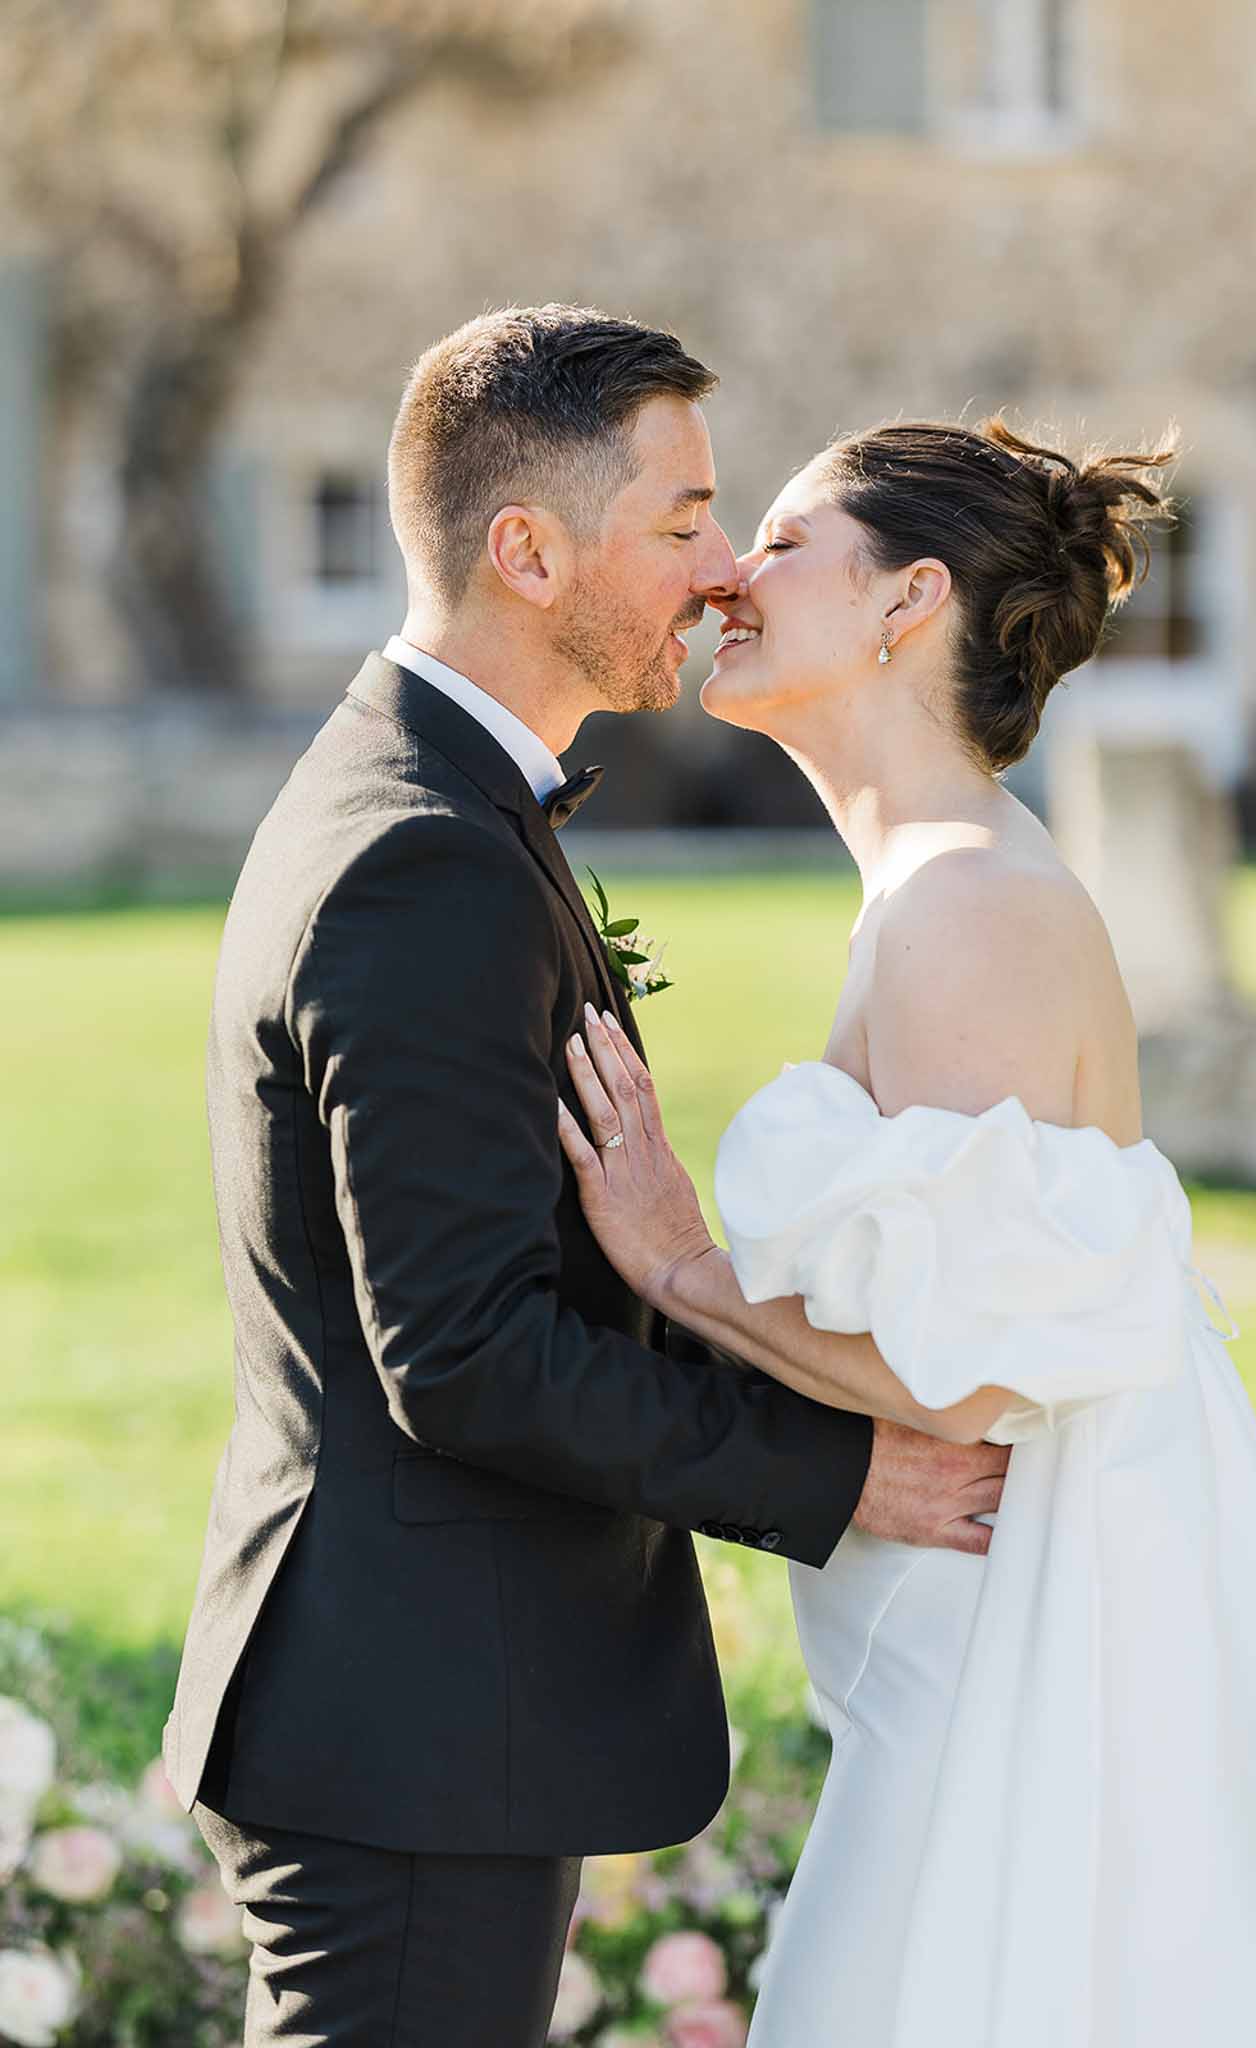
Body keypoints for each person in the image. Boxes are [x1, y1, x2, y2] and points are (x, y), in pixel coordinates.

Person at [162, 307, 1010, 2048]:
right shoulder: (421, 861)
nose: (720, 569)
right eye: (683, 518)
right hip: (411, 1717)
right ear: (527, 549)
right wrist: (842, 1472)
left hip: (423, 1705)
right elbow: (467, 1354)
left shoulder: (433, 804)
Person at [559, 418, 1256, 2045]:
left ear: (903, 598)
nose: (728, 574)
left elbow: (962, 1380)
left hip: (1033, 1651)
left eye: (782, 541)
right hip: (961, 1626)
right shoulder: (937, 886)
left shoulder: (967, 905)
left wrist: (675, 1270)